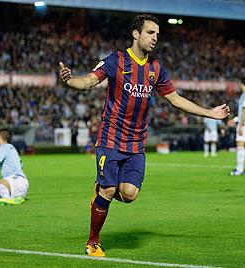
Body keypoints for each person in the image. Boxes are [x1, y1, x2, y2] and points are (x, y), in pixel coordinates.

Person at [59, 14, 230, 257]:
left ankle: (103, 188)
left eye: (158, 35)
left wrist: (209, 113)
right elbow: (87, 82)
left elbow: (175, 99)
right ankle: (93, 242)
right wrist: (69, 81)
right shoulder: (115, 60)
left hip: (137, 143)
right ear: (136, 34)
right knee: (108, 191)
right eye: (150, 33)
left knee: (129, 195)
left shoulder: (156, 68)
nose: (155, 38)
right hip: (111, 138)